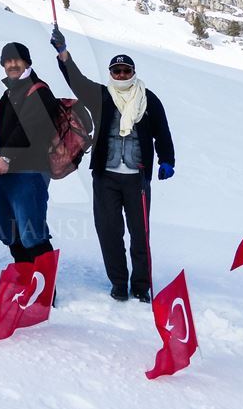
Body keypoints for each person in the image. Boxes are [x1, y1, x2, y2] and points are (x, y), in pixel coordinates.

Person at [50, 27, 174, 303]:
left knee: (140, 234)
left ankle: (141, 285)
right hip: (106, 176)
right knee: (109, 232)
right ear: (110, 73)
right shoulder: (102, 95)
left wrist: (167, 160)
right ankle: (118, 282)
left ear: (133, 73)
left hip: (137, 177)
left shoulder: (148, 99)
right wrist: (63, 52)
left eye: (125, 71)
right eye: (116, 71)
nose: (121, 75)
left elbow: (162, 133)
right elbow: (77, 81)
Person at [0, 42, 59, 265]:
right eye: (7, 61)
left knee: (32, 231)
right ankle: (25, 276)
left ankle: (44, 281)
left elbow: (30, 128)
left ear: (27, 62)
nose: (12, 64)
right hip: (8, 171)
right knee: (9, 230)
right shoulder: (11, 91)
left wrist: (6, 156)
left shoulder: (38, 90)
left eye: (17, 59)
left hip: (30, 170)